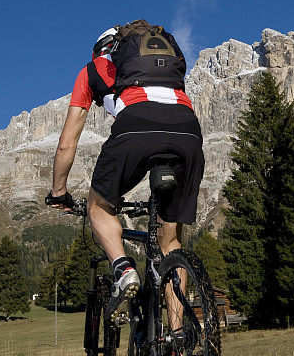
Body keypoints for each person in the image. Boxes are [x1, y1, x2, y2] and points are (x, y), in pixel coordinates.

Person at [46, 21, 204, 322]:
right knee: (170, 244)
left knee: (99, 206)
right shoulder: (163, 68)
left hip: (136, 128)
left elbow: (67, 145)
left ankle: (123, 269)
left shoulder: (93, 69)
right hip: (188, 132)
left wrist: (59, 193)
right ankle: (176, 337)